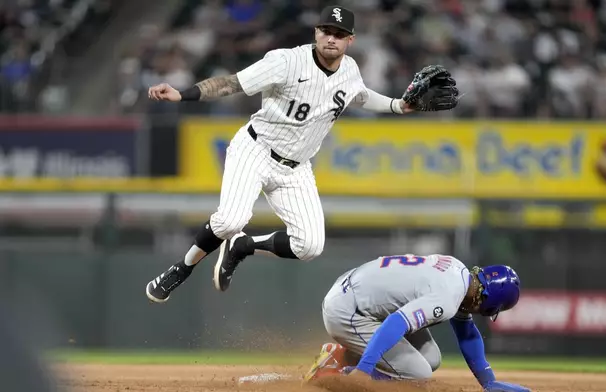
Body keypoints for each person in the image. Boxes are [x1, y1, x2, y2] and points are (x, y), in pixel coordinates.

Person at [144, 5, 458, 302]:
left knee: (309, 246)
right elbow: (231, 83)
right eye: (326, 30)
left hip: (295, 168)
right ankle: (181, 269)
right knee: (229, 220)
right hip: (256, 149)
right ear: (316, 32)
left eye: (339, 33)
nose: (331, 38)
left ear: (350, 39)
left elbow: (360, 96)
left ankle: (242, 246)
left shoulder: (349, 70)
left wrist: (398, 106)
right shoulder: (286, 61)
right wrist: (182, 94)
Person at [304, 254, 531, 392]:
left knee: (431, 358)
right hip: (346, 312)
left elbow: (466, 332)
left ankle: (342, 353)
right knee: (418, 374)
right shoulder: (448, 297)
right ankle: (339, 371)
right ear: (489, 305)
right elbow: (396, 323)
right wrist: (365, 369)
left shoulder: (458, 271)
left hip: (353, 290)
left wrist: (489, 383)